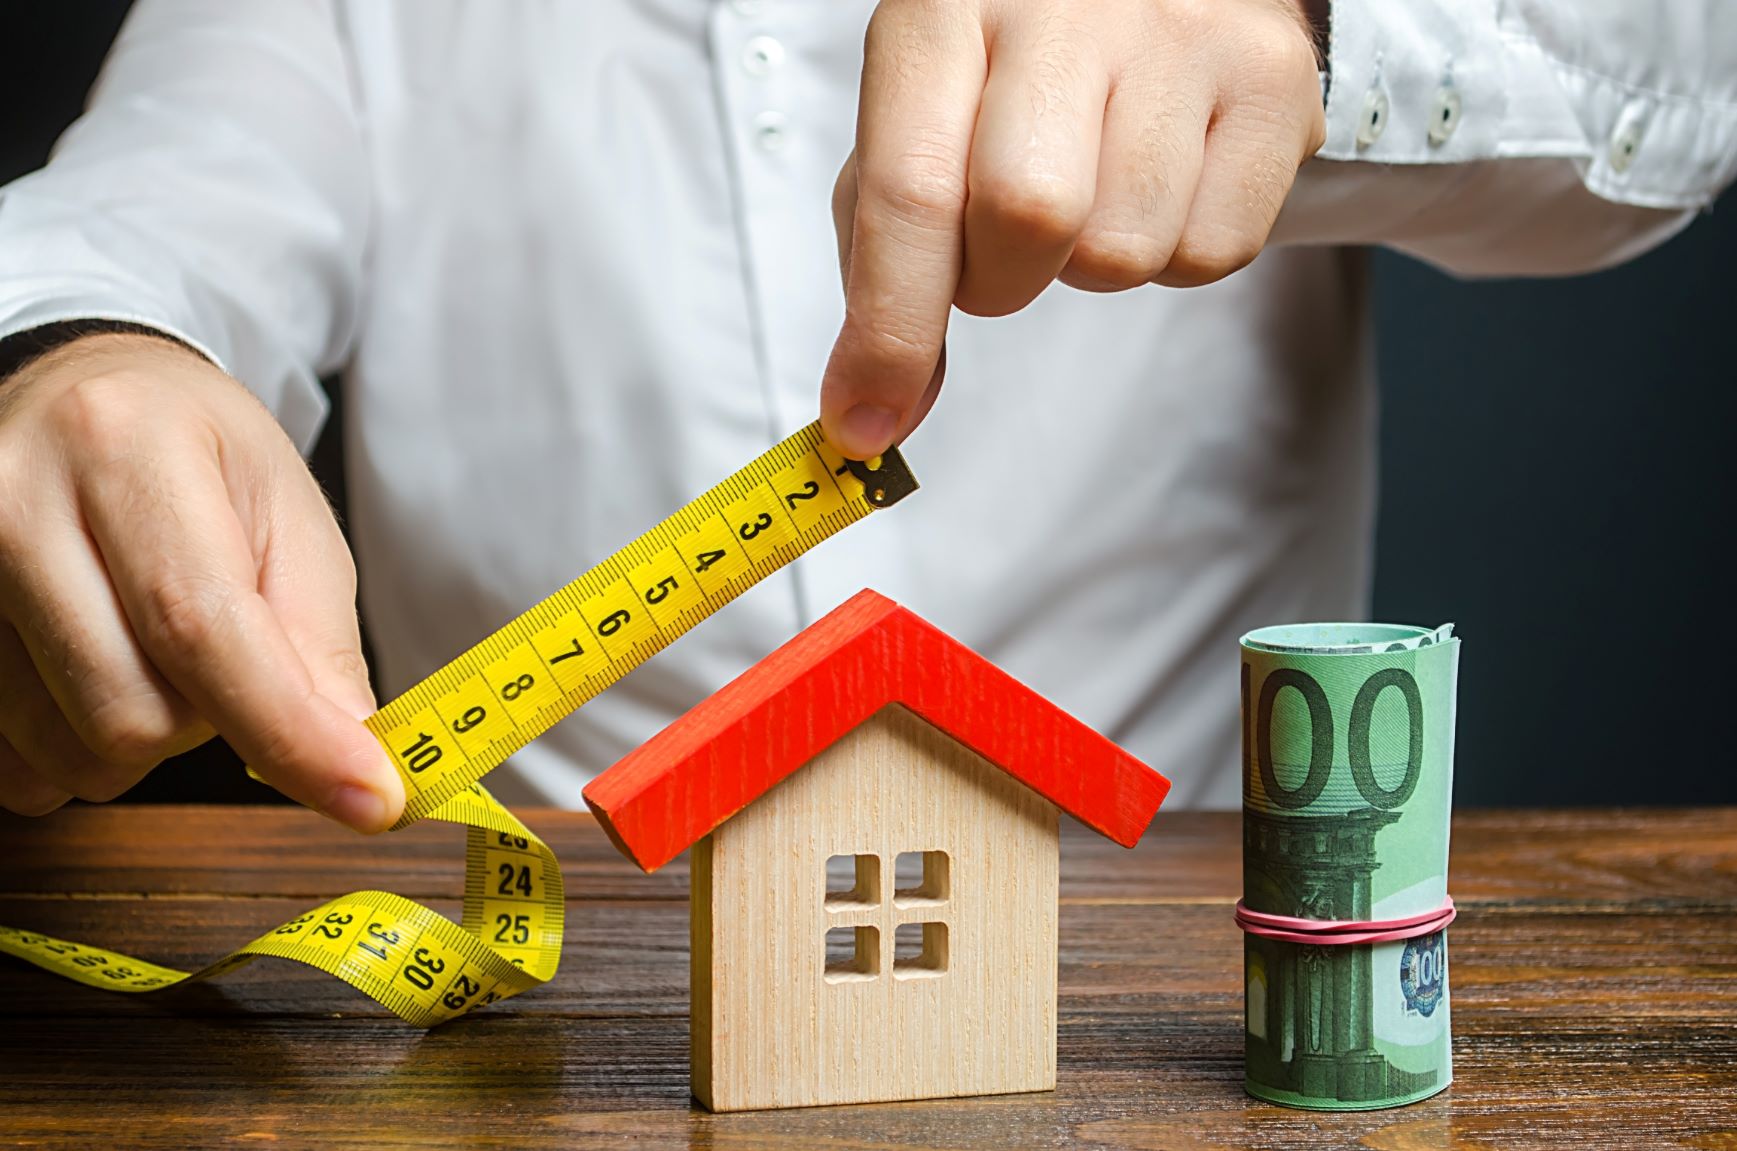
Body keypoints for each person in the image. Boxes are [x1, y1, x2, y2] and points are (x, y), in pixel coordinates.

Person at [0, 1, 1731, 830]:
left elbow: (1682, 83)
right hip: (550, 1023)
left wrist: (1303, 17)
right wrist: (74, 359)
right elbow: (146, 213)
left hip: (1166, 987)